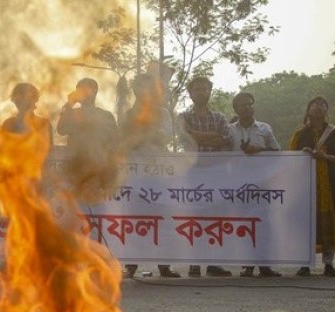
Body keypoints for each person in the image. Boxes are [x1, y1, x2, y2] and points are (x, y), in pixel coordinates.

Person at [119, 74, 179, 279]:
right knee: (134, 219)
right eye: (138, 88)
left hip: (159, 173)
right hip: (135, 175)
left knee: (162, 218)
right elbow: (125, 140)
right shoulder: (128, 114)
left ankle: (164, 266)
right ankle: (131, 265)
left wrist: (140, 134)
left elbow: (164, 137)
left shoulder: (162, 113)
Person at [289, 97, 335, 277]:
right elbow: (290, 160)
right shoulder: (299, 134)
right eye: (316, 104)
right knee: (306, 223)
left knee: (329, 224)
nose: (320, 107)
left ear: (327, 111)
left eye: (324, 104)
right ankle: (304, 263)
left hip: (330, 185)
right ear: (308, 110)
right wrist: (304, 155)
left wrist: (325, 157)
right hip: (306, 185)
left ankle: (329, 264)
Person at [178, 76, 232, 278]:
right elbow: (186, 139)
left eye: (205, 88)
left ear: (210, 91)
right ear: (190, 94)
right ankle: (194, 264)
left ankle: (214, 263)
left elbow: (225, 140)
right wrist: (210, 137)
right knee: (194, 218)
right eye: (197, 89)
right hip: (193, 173)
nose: (201, 92)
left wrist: (197, 135)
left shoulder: (219, 117)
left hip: (217, 173)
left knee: (216, 218)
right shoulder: (183, 116)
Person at [227, 92, 282, 278]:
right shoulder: (229, 130)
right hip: (238, 186)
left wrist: (259, 150)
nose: (248, 107)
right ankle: (248, 265)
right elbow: (222, 156)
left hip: (261, 186)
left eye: (250, 104)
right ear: (236, 109)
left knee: (264, 225)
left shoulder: (265, 129)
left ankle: (265, 265)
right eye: (243, 105)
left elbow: (277, 153)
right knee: (244, 225)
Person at [57, 78, 119, 199]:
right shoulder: (72, 112)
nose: (83, 93)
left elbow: (114, 140)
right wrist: (69, 105)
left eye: (86, 89)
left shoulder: (105, 115)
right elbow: (61, 130)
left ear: (95, 91)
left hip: (98, 169)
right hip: (76, 167)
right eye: (80, 90)